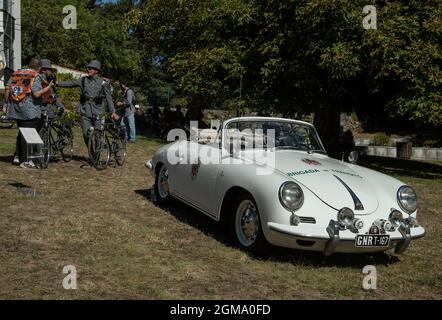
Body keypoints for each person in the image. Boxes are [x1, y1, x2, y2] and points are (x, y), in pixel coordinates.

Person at [2, 58, 54, 168]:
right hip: (30, 110)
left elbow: (7, 88)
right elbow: (36, 94)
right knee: (29, 134)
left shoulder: (16, 73)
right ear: (39, 68)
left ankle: (18, 156)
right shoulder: (35, 76)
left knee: (22, 132)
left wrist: (6, 104)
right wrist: (48, 87)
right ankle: (26, 160)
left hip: (16, 108)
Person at [57, 60, 119, 148]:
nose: (88, 70)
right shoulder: (83, 80)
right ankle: (91, 153)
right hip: (85, 111)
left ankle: (96, 157)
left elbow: (109, 98)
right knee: (86, 134)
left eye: (91, 68)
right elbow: (70, 83)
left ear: (96, 71)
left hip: (98, 111)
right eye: (88, 68)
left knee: (98, 135)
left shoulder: (103, 83)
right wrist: (57, 83)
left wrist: (113, 111)